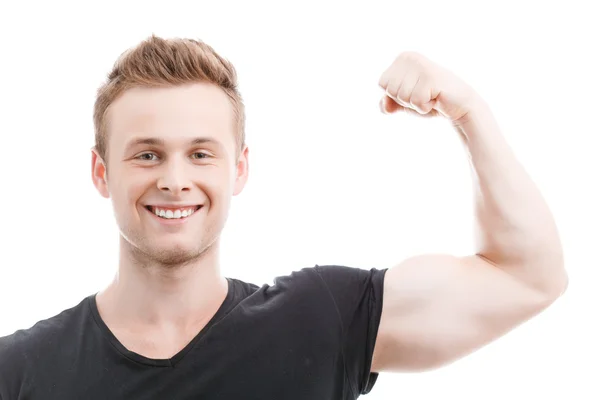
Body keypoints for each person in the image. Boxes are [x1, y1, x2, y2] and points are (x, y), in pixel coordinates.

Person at [0, 35, 567, 399]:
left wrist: (468, 111)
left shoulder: (319, 320)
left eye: (201, 153)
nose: (174, 179)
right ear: (101, 173)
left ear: (239, 169)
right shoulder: (21, 372)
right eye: (147, 154)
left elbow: (527, 277)